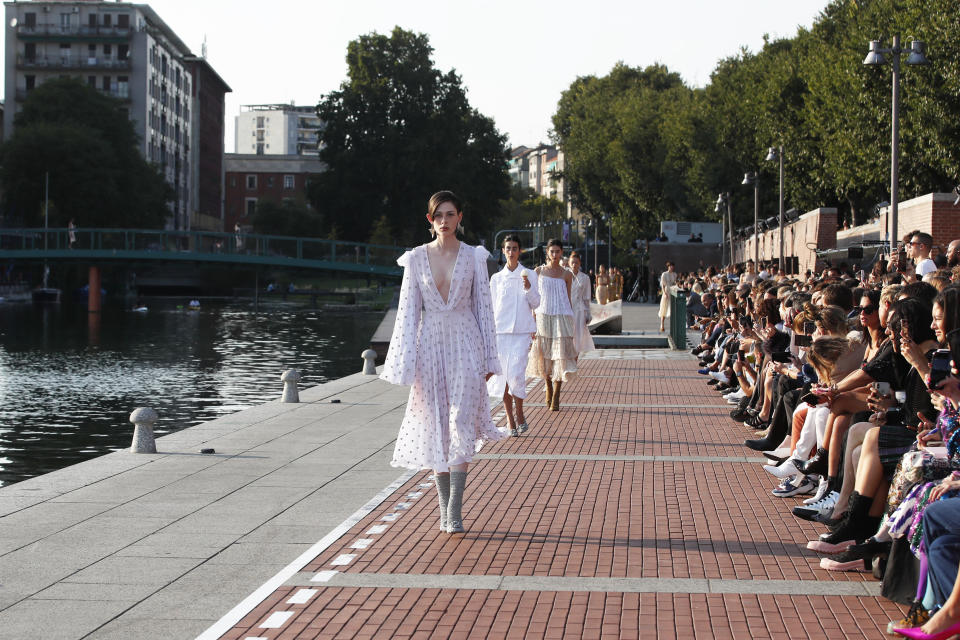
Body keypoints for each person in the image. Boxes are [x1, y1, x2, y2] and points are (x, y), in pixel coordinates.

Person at [380, 190, 506, 534]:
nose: (444, 221)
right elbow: (406, 312)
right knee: (437, 425)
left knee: (461, 420)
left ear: (460, 218)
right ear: (430, 220)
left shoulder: (474, 257)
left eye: (450, 215)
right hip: (430, 346)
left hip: (466, 343)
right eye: (439, 215)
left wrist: (490, 356)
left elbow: (484, 308)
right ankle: (442, 508)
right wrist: (403, 364)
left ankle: (455, 508)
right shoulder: (416, 259)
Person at [488, 235, 540, 437]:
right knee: (503, 377)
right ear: (503, 251)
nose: (511, 252)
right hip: (500, 333)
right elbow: (490, 307)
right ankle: (510, 418)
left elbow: (536, 303)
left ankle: (519, 412)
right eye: (508, 248)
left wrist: (528, 288)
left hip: (521, 332)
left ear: (520, 251)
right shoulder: (496, 279)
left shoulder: (529, 275)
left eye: (515, 248)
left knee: (517, 374)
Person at [527, 238, 577, 411]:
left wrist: (572, 320)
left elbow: (568, 298)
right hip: (542, 316)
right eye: (552, 251)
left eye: (558, 252)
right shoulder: (538, 271)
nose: (555, 255)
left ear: (562, 252)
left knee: (560, 356)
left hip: (562, 317)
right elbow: (533, 298)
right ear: (547, 252)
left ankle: (556, 394)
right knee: (545, 356)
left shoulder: (567, 274)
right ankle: (548, 385)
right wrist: (532, 319)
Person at [568, 251, 595, 356]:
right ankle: (568, 358)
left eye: (576, 263)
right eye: (572, 262)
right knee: (568, 334)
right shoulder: (565, 275)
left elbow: (586, 298)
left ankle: (575, 359)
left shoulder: (585, 278)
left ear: (580, 264)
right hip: (567, 308)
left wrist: (588, 313)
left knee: (578, 335)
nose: (574, 265)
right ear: (569, 263)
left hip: (579, 310)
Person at [658, 261, 677, 332]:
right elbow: (662, 285)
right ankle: (662, 324)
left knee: (672, 308)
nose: (672, 267)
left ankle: (673, 326)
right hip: (666, 291)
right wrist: (664, 293)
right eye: (670, 266)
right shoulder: (664, 274)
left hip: (673, 291)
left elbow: (675, 283)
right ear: (668, 267)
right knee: (664, 308)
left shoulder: (675, 274)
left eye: (673, 266)